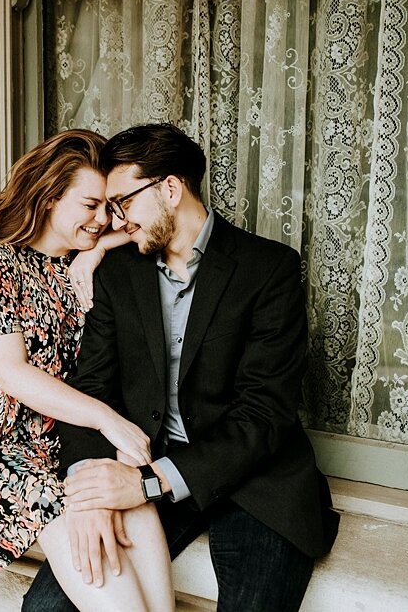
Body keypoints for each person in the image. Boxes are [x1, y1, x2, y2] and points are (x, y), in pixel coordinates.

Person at [23, 124, 340, 612]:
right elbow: (93, 387)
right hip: (145, 464)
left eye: (122, 203)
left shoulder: (268, 269)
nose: (115, 221)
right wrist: (92, 487)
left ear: (170, 188)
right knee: (48, 608)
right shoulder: (118, 271)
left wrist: (147, 484)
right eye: (109, 207)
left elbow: (264, 415)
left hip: (255, 477)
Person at [0, 129, 176, 612]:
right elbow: (11, 373)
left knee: (136, 514)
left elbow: (140, 229)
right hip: (6, 450)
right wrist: (107, 420)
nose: (105, 220)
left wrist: (96, 249)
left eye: (111, 208)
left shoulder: (78, 261)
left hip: (70, 440)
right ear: (50, 198)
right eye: (90, 206)